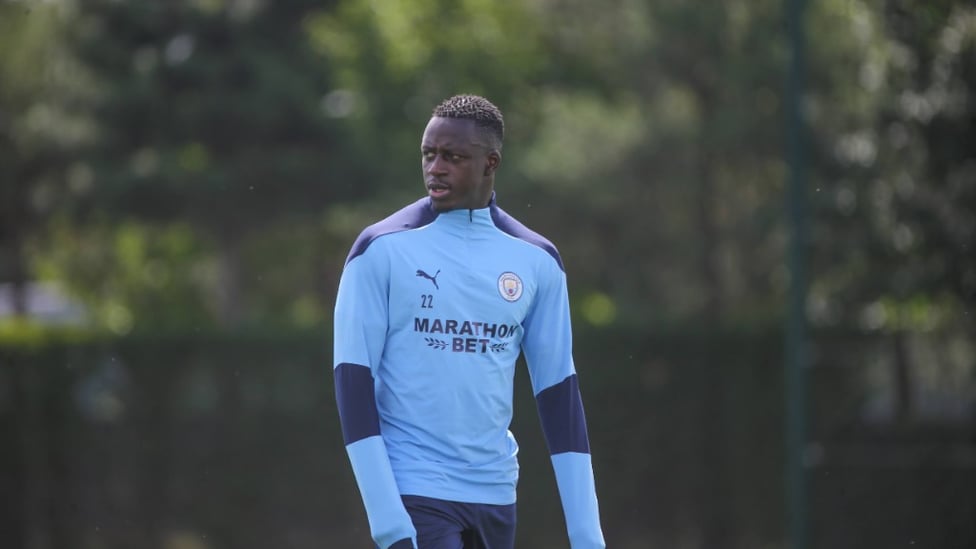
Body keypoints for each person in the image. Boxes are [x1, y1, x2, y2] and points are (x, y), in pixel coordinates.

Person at [333, 94, 605, 549]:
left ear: (490, 163)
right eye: (428, 154)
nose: (435, 168)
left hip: (496, 496)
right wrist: (388, 519)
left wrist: (586, 533)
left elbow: (560, 394)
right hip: (415, 492)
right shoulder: (380, 249)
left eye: (453, 157)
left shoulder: (537, 261)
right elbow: (351, 380)